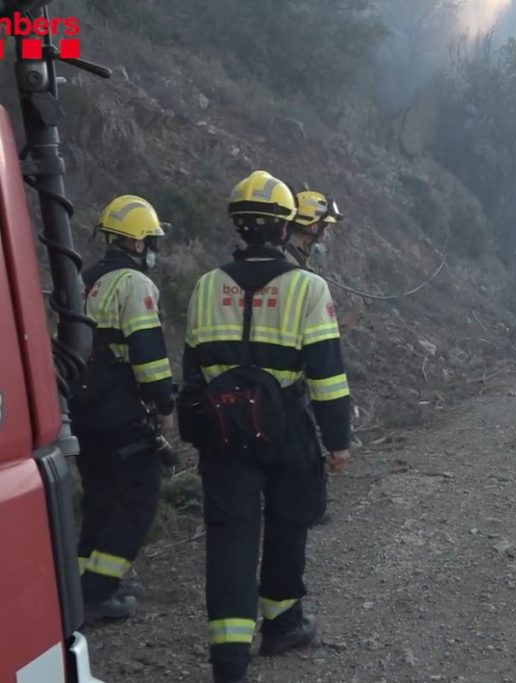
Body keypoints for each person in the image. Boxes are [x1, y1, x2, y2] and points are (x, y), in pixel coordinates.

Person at [180, 170, 354, 683]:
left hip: (223, 433)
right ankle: (282, 624)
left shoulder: (207, 285)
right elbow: (326, 372)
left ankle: (229, 662)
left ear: (238, 226)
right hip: (287, 430)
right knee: (288, 525)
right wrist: (338, 440)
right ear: (286, 228)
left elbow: (192, 371)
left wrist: (201, 431)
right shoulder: (307, 288)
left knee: (230, 539)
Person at [70, 195, 174, 622]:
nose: (153, 250)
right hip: (122, 413)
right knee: (136, 500)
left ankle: (81, 584)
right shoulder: (135, 285)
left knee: (99, 498)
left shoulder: (81, 279)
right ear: (136, 243)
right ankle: (98, 591)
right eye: (151, 241)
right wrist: (165, 400)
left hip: (82, 411)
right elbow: (148, 355)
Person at [284, 188, 345, 528]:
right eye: (325, 226)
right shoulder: (291, 271)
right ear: (310, 227)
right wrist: (338, 437)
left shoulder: (295, 263)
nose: (328, 233)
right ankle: (305, 510)